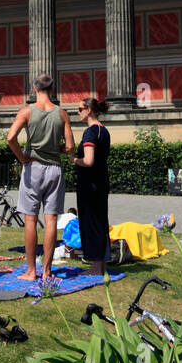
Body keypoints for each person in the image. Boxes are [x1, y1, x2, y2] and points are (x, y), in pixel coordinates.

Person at [6, 73, 74, 281]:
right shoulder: (61, 113)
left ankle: (30, 271)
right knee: (51, 219)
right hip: (54, 169)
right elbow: (71, 146)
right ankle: (47, 271)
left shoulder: (27, 111)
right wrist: (57, 150)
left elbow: (10, 138)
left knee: (30, 219)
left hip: (33, 168)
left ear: (34, 90)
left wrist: (22, 157)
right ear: (52, 91)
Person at [73, 97, 111, 276]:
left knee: (91, 224)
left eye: (80, 108)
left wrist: (74, 159)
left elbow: (88, 161)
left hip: (90, 185)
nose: (78, 112)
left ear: (89, 110)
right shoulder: (104, 131)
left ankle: (96, 268)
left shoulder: (90, 132)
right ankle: (101, 264)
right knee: (101, 223)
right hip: (102, 181)